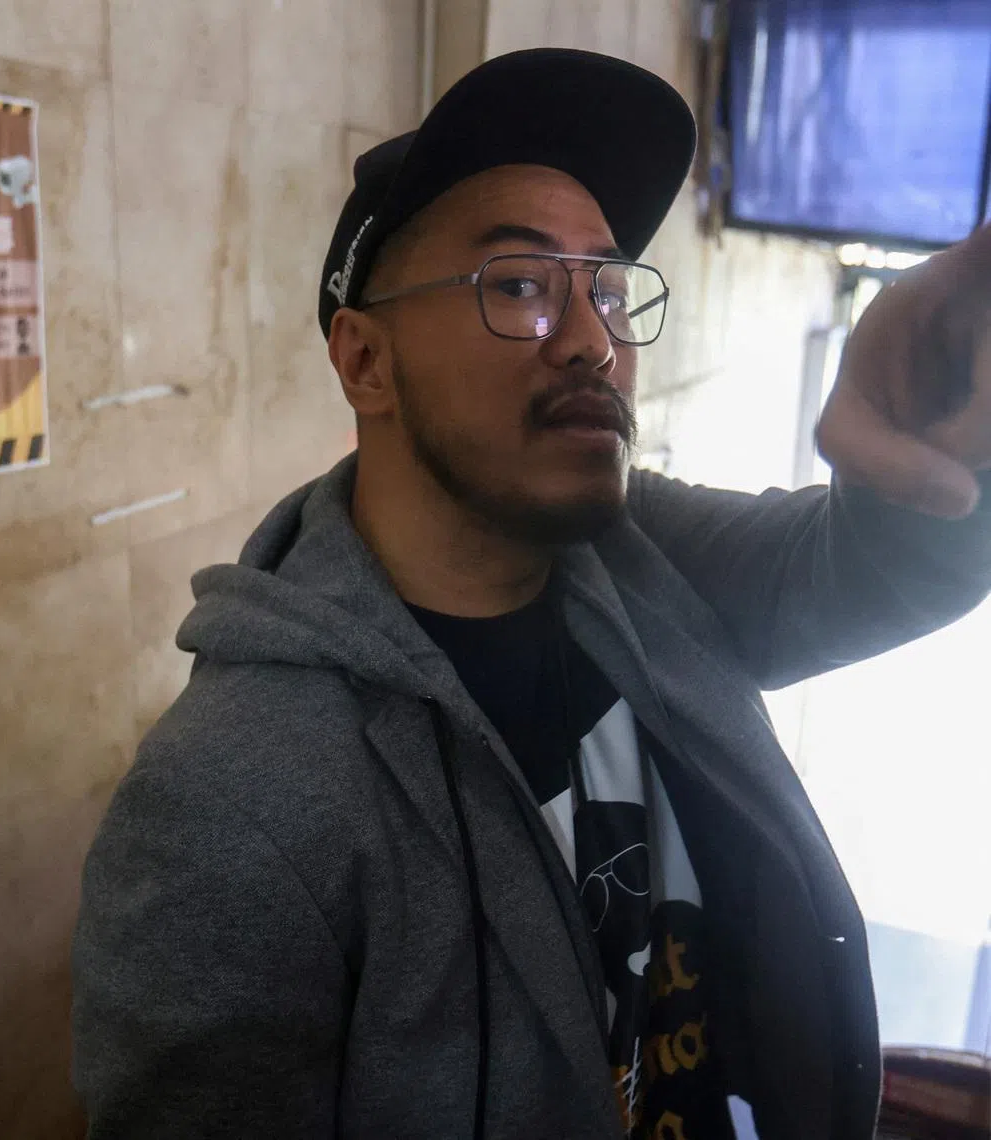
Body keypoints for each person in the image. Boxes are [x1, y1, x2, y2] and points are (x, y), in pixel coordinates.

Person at [71, 49, 991, 1140]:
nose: (596, 342)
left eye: (605, 288)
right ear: (365, 363)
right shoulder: (230, 806)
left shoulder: (642, 553)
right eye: (518, 286)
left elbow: (857, 575)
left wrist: (930, 448)